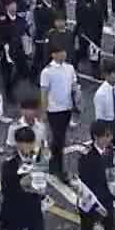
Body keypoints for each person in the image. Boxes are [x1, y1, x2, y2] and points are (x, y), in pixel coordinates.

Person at [0, 125, 51, 230]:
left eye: (30, 143)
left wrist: (41, 189)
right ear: (18, 144)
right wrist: (20, 184)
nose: (28, 147)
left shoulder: (38, 159)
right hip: (15, 211)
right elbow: (6, 190)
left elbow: (43, 179)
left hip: (34, 209)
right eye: (24, 143)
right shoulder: (10, 164)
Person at [72, 119, 115, 230]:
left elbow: (113, 174)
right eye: (106, 136)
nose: (109, 139)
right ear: (96, 137)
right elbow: (86, 183)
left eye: (110, 135)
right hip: (91, 201)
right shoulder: (87, 157)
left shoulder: (111, 151)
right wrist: (98, 203)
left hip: (106, 199)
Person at [38, 44, 78, 181]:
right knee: (59, 139)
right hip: (54, 110)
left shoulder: (70, 68)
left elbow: (74, 87)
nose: (63, 54)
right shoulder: (47, 72)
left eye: (64, 51)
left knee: (58, 139)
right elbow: (44, 93)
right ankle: (59, 170)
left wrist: (77, 104)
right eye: (59, 51)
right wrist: (43, 111)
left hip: (67, 108)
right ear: (53, 55)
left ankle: (52, 163)